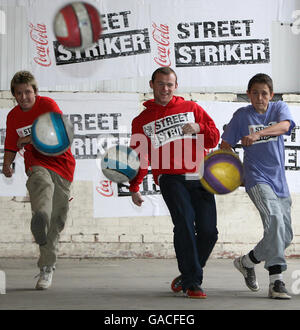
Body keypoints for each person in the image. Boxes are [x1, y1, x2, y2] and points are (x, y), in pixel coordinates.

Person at [129, 67, 220, 299]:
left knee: (209, 232)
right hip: (169, 177)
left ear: (175, 86)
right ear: (151, 85)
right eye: (160, 84)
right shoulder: (141, 121)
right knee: (184, 224)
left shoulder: (192, 108)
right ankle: (192, 282)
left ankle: (190, 272)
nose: (165, 89)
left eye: (169, 84)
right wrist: (135, 186)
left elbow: (213, 136)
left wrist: (199, 127)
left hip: (199, 175)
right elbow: (140, 156)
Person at [221, 73, 295, 299]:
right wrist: (236, 173)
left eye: (264, 93)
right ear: (249, 94)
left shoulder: (279, 108)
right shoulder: (242, 116)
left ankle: (246, 262)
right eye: (255, 93)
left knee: (284, 235)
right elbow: (225, 146)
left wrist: (258, 134)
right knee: (274, 221)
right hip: (256, 178)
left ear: (271, 95)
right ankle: (277, 282)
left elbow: (284, 126)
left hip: (279, 181)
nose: (260, 97)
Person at [2, 71, 76, 290]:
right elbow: (10, 144)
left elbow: (57, 129)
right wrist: (7, 164)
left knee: (57, 221)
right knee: (41, 184)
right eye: (18, 93)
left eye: (27, 92)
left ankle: (47, 266)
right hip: (37, 164)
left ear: (35, 92)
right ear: (14, 95)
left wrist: (28, 138)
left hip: (62, 165)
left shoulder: (47, 105)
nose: (24, 97)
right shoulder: (13, 116)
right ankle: (40, 215)